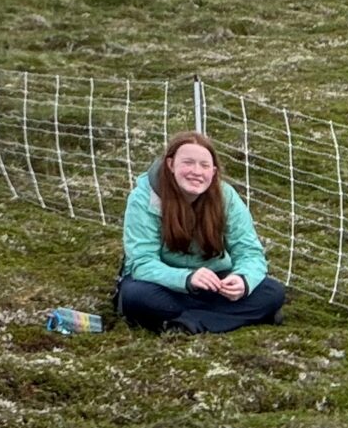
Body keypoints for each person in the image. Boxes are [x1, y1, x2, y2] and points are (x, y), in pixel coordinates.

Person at [117, 129, 288, 334]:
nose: (196, 172)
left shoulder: (226, 197)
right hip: (165, 284)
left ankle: (187, 323)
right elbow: (142, 263)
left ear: (213, 172)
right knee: (134, 295)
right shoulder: (144, 198)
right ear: (170, 164)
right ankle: (228, 317)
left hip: (216, 282)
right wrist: (187, 279)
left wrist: (243, 280)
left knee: (273, 292)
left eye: (204, 165)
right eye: (188, 163)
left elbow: (250, 251)